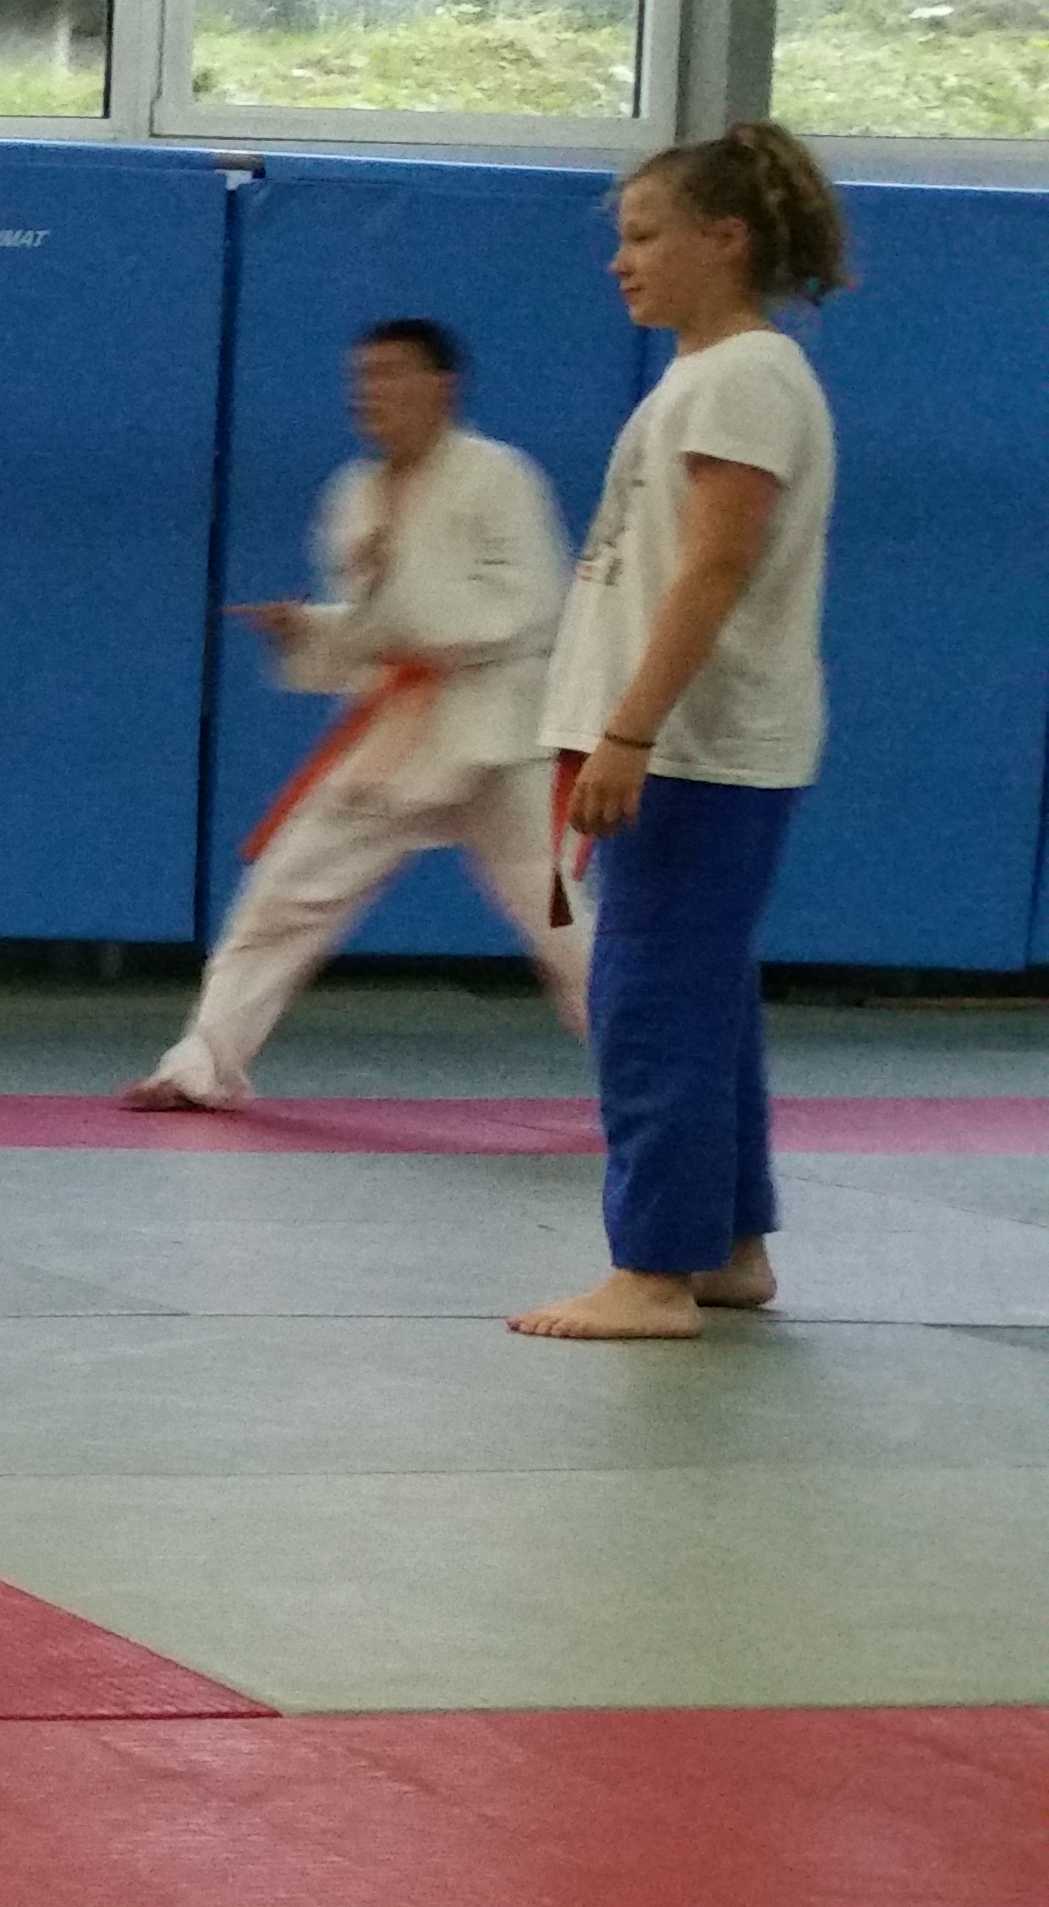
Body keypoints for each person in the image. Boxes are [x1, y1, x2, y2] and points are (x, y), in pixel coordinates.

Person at [512, 124, 850, 1343]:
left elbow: (713, 568)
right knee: (700, 999)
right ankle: (727, 1246)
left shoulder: (740, 378)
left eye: (645, 236)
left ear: (726, 239)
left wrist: (628, 733)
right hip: (698, 746)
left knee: (650, 1001)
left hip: (693, 749)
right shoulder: (711, 376)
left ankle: (652, 1271)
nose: (621, 261)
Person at [123, 319, 587, 1112]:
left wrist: (396, 597)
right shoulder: (355, 493)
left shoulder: (499, 477)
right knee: (283, 893)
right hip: (401, 733)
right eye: (363, 376)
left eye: (392, 373)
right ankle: (202, 1064)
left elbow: (531, 607)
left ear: (443, 385)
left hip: (496, 735)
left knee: (561, 924)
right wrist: (311, 630)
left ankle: (654, 1074)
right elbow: (379, 633)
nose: (371, 391)